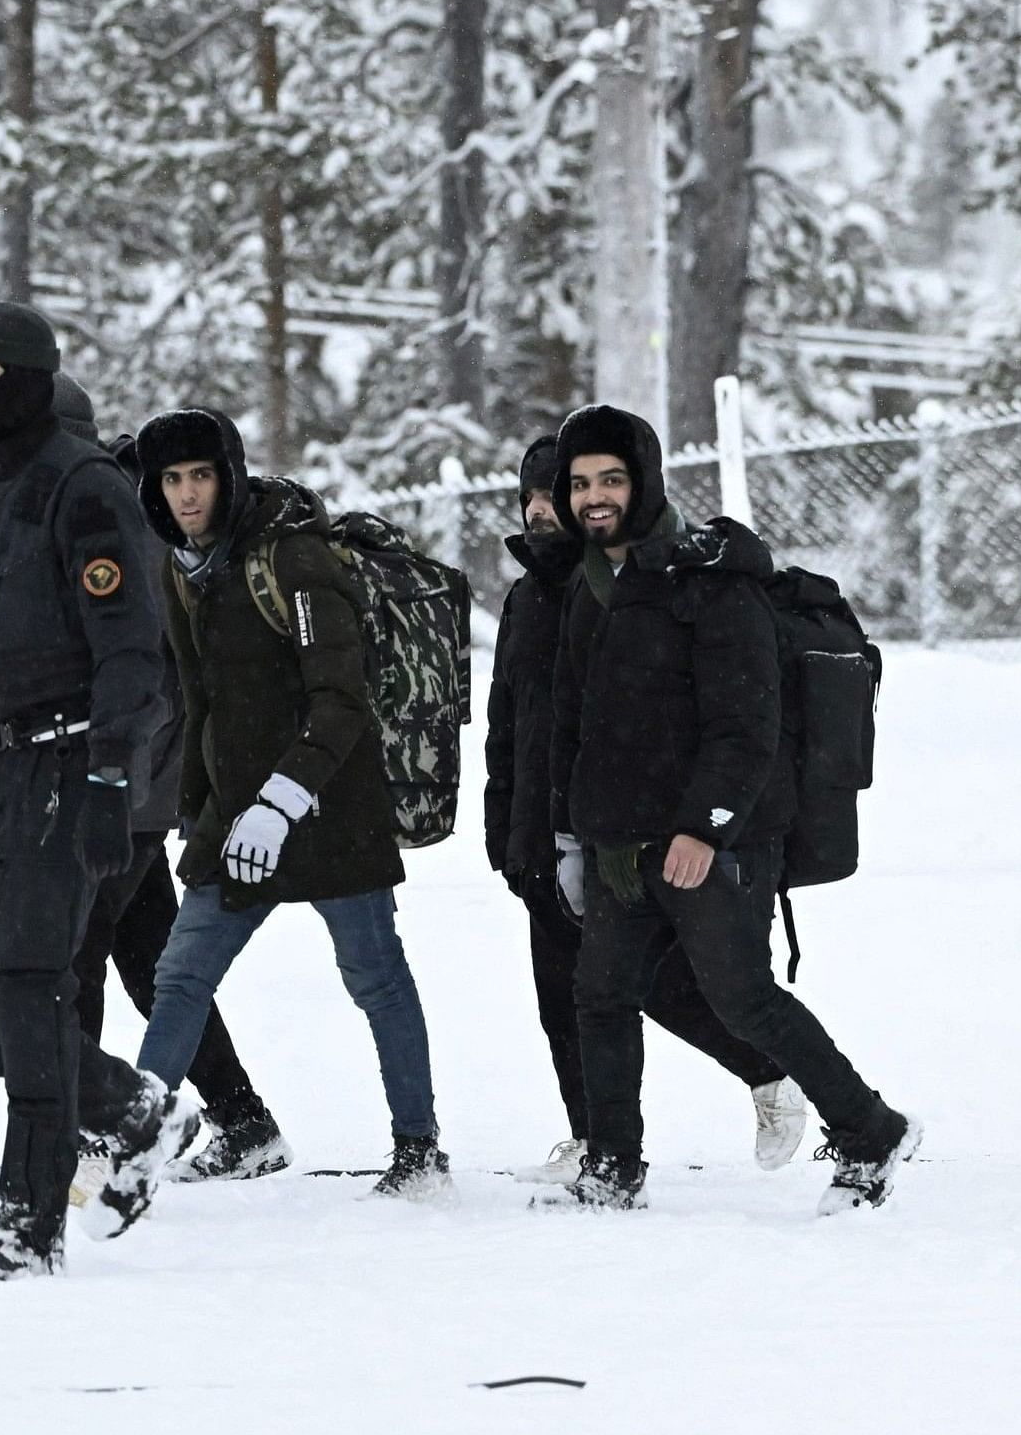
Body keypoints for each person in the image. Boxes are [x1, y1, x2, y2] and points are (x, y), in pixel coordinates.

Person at [540, 404, 918, 1214]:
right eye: (580, 483)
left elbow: (748, 727)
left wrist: (703, 825)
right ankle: (613, 1165)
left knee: (743, 997)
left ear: (643, 482)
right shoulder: (587, 587)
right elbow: (571, 727)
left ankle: (870, 1129)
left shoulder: (708, 581)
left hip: (712, 843)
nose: (595, 496)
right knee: (601, 996)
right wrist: (571, 836)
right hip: (617, 843)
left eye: (611, 479)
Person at [0, 303, 194, 1278]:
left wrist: (112, 776)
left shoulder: (86, 489)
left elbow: (130, 652)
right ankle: (126, 1107)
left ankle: (28, 1228)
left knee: (30, 984)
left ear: (26, 376)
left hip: (67, 764)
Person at [126, 408, 447, 1200]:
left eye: (201, 475)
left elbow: (340, 701)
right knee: (180, 974)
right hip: (233, 817)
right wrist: (199, 813)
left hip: (331, 808)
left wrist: (282, 800)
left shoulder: (294, 558)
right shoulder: (184, 567)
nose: (187, 494)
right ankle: (128, 1155)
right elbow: (201, 703)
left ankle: (420, 1151)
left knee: (375, 977)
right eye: (171, 479)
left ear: (230, 474)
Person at [482, 434, 804, 1182]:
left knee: (658, 985)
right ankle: (591, 1138)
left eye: (549, 493)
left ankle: (767, 1074)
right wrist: (507, 828)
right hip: (538, 834)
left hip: (608, 830)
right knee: (563, 1000)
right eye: (529, 495)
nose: (539, 508)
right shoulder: (528, 595)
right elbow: (511, 724)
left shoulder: (613, 589)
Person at [52, 378, 287, 1181]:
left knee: (74, 948)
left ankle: (82, 1136)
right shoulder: (81, 504)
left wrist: (126, 777)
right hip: (127, 774)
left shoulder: (116, 512)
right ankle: (243, 1120)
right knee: (148, 954)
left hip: (136, 772)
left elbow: (150, 664)